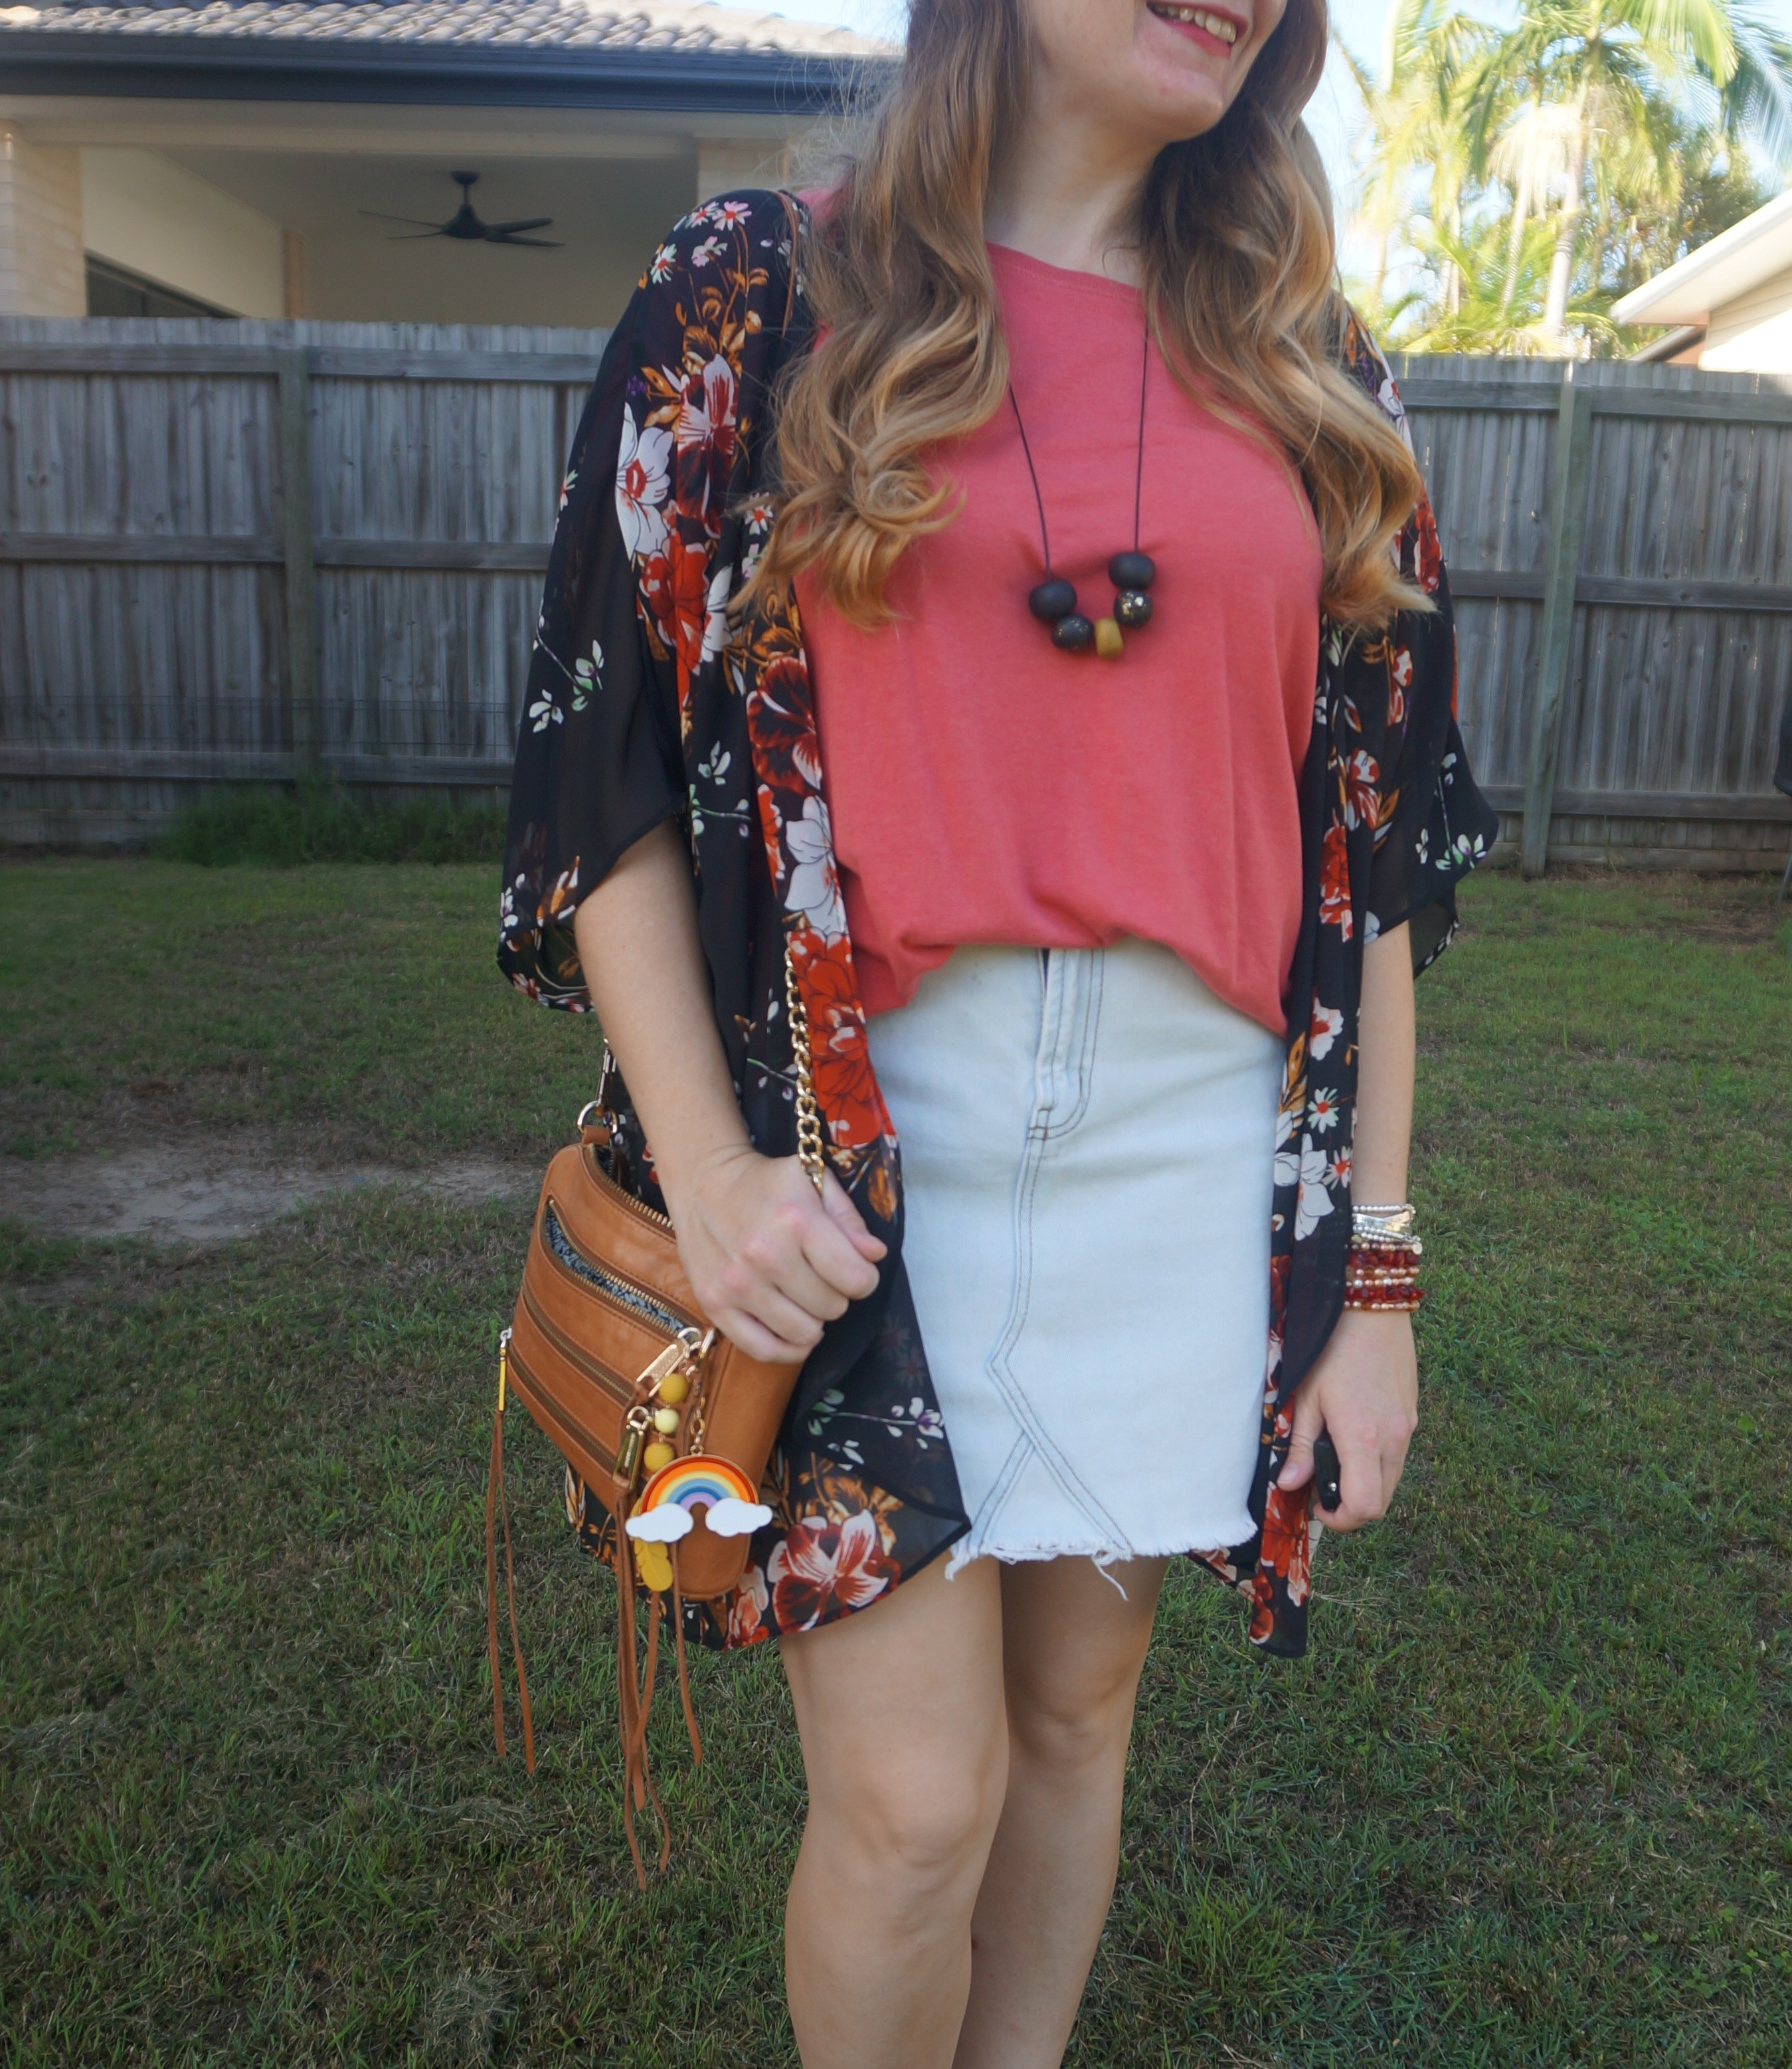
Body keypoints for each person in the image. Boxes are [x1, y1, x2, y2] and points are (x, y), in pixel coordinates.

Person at [497, 0, 1498, 2058]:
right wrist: (705, 1171)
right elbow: (597, 775)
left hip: (1187, 1147)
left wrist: (1374, 1274)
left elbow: (1373, 859)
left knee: (1071, 1715)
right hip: (873, 1150)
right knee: (909, 1796)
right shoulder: (755, 300)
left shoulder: (1315, 375)